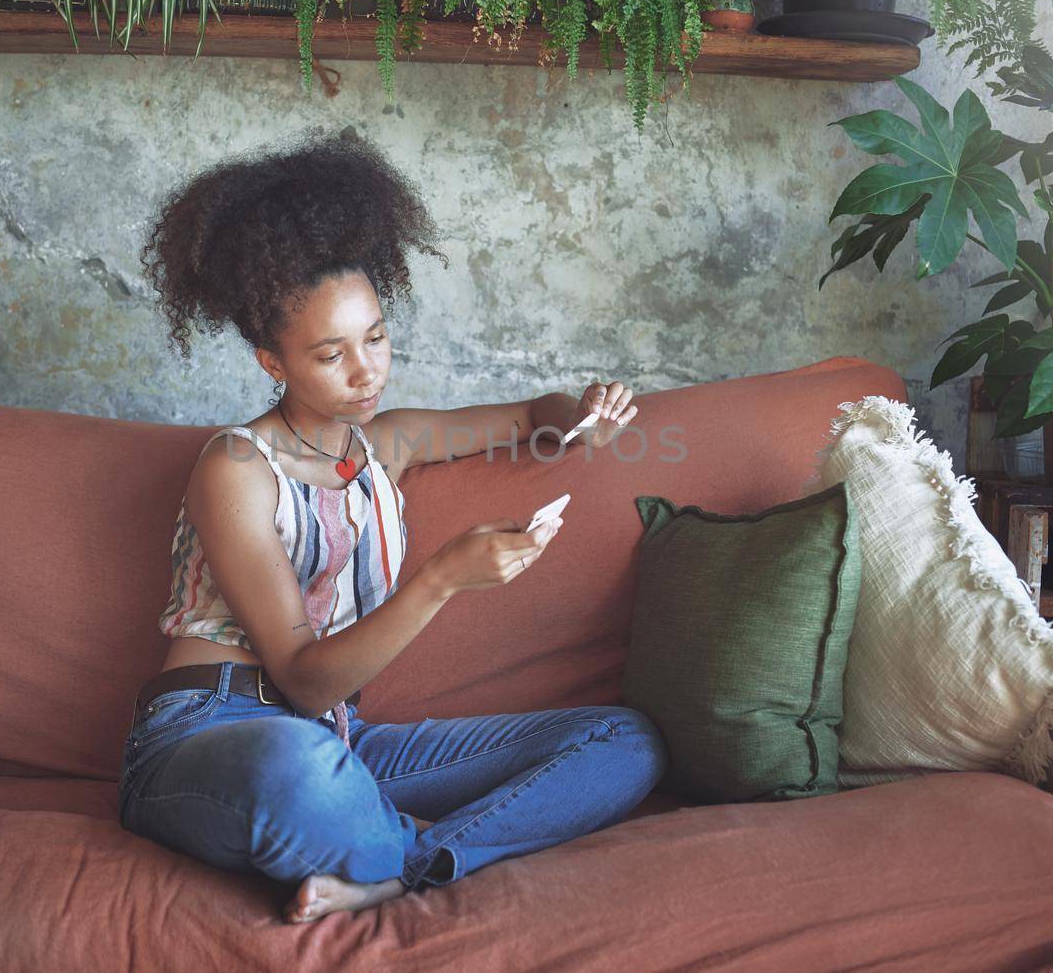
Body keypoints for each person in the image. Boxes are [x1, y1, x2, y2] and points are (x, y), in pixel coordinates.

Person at [121, 125, 669, 924]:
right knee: (300, 767)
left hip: (341, 741)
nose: (366, 370)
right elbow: (302, 676)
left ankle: (399, 863)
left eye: (376, 337)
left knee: (623, 741)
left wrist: (586, 416)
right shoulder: (234, 469)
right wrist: (444, 576)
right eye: (330, 353)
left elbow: (528, 417)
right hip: (213, 735)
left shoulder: (390, 443)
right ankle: (409, 850)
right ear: (272, 363)